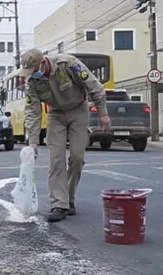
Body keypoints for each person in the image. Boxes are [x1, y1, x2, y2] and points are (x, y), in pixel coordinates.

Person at [19, 48, 110, 222]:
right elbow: (32, 111)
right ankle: (59, 204)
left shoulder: (68, 64)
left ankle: (69, 198)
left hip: (78, 110)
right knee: (56, 160)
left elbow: (94, 86)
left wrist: (102, 113)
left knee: (77, 157)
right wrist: (33, 142)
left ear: (43, 62)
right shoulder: (31, 81)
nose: (32, 75)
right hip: (55, 114)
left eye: (34, 70)